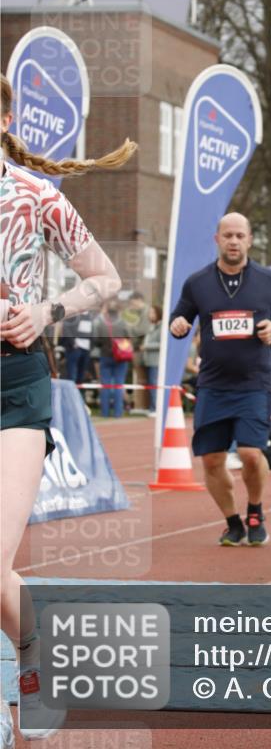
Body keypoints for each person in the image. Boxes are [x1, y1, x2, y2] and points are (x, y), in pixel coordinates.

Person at [0, 72, 135, 743]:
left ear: (4, 118)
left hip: (13, 385)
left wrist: (44, 310)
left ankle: (32, 667)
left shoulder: (35, 196)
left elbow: (106, 277)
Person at [169, 212, 271, 546]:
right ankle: (233, 521)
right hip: (213, 385)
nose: (233, 241)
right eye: (227, 235)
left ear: (249, 240)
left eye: (239, 236)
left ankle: (255, 509)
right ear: (217, 239)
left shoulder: (268, 281)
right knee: (213, 460)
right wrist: (178, 326)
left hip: (253, 382)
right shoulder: (198, 282)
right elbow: (179, 316)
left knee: (249, 453)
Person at [92, 296, 133, 418]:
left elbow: (95, 340)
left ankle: (104, 412)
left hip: (105, 356)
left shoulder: (101, 323)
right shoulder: (124, 323)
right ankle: (118, 412)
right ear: (119, 311)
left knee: (105, 384)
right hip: (121, 357)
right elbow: (129, 338)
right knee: (119, 384)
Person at [141, 304, 163, 414]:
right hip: (149, 360)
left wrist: (147, 346)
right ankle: (152, 407)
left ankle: (155, 408)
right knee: (151, 384)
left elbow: (162, 344)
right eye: (149, 313)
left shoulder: (161, 327)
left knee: (154, 384)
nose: (150, 315)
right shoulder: (151, 326)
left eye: (152, 312)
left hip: (156, 360)